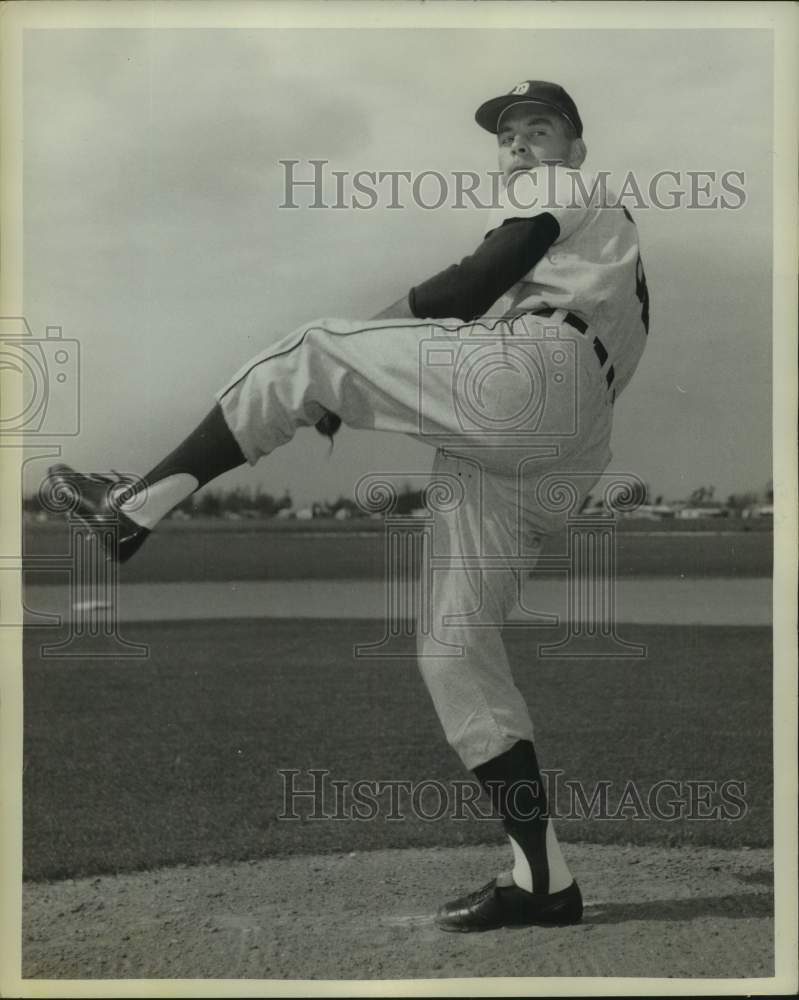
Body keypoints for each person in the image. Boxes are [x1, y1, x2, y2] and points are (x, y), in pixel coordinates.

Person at [49, 79, 650, 932]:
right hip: (564, 437)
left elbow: (476, 279)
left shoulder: (565, 187)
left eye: (540, 128)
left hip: (536, 378)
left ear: (575, 148)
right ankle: (542, 877)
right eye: (508, 134)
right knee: (452, 649)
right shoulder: (611, 252)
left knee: (311, 347)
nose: (520, 144)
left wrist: (364, 345)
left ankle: (133, 505)